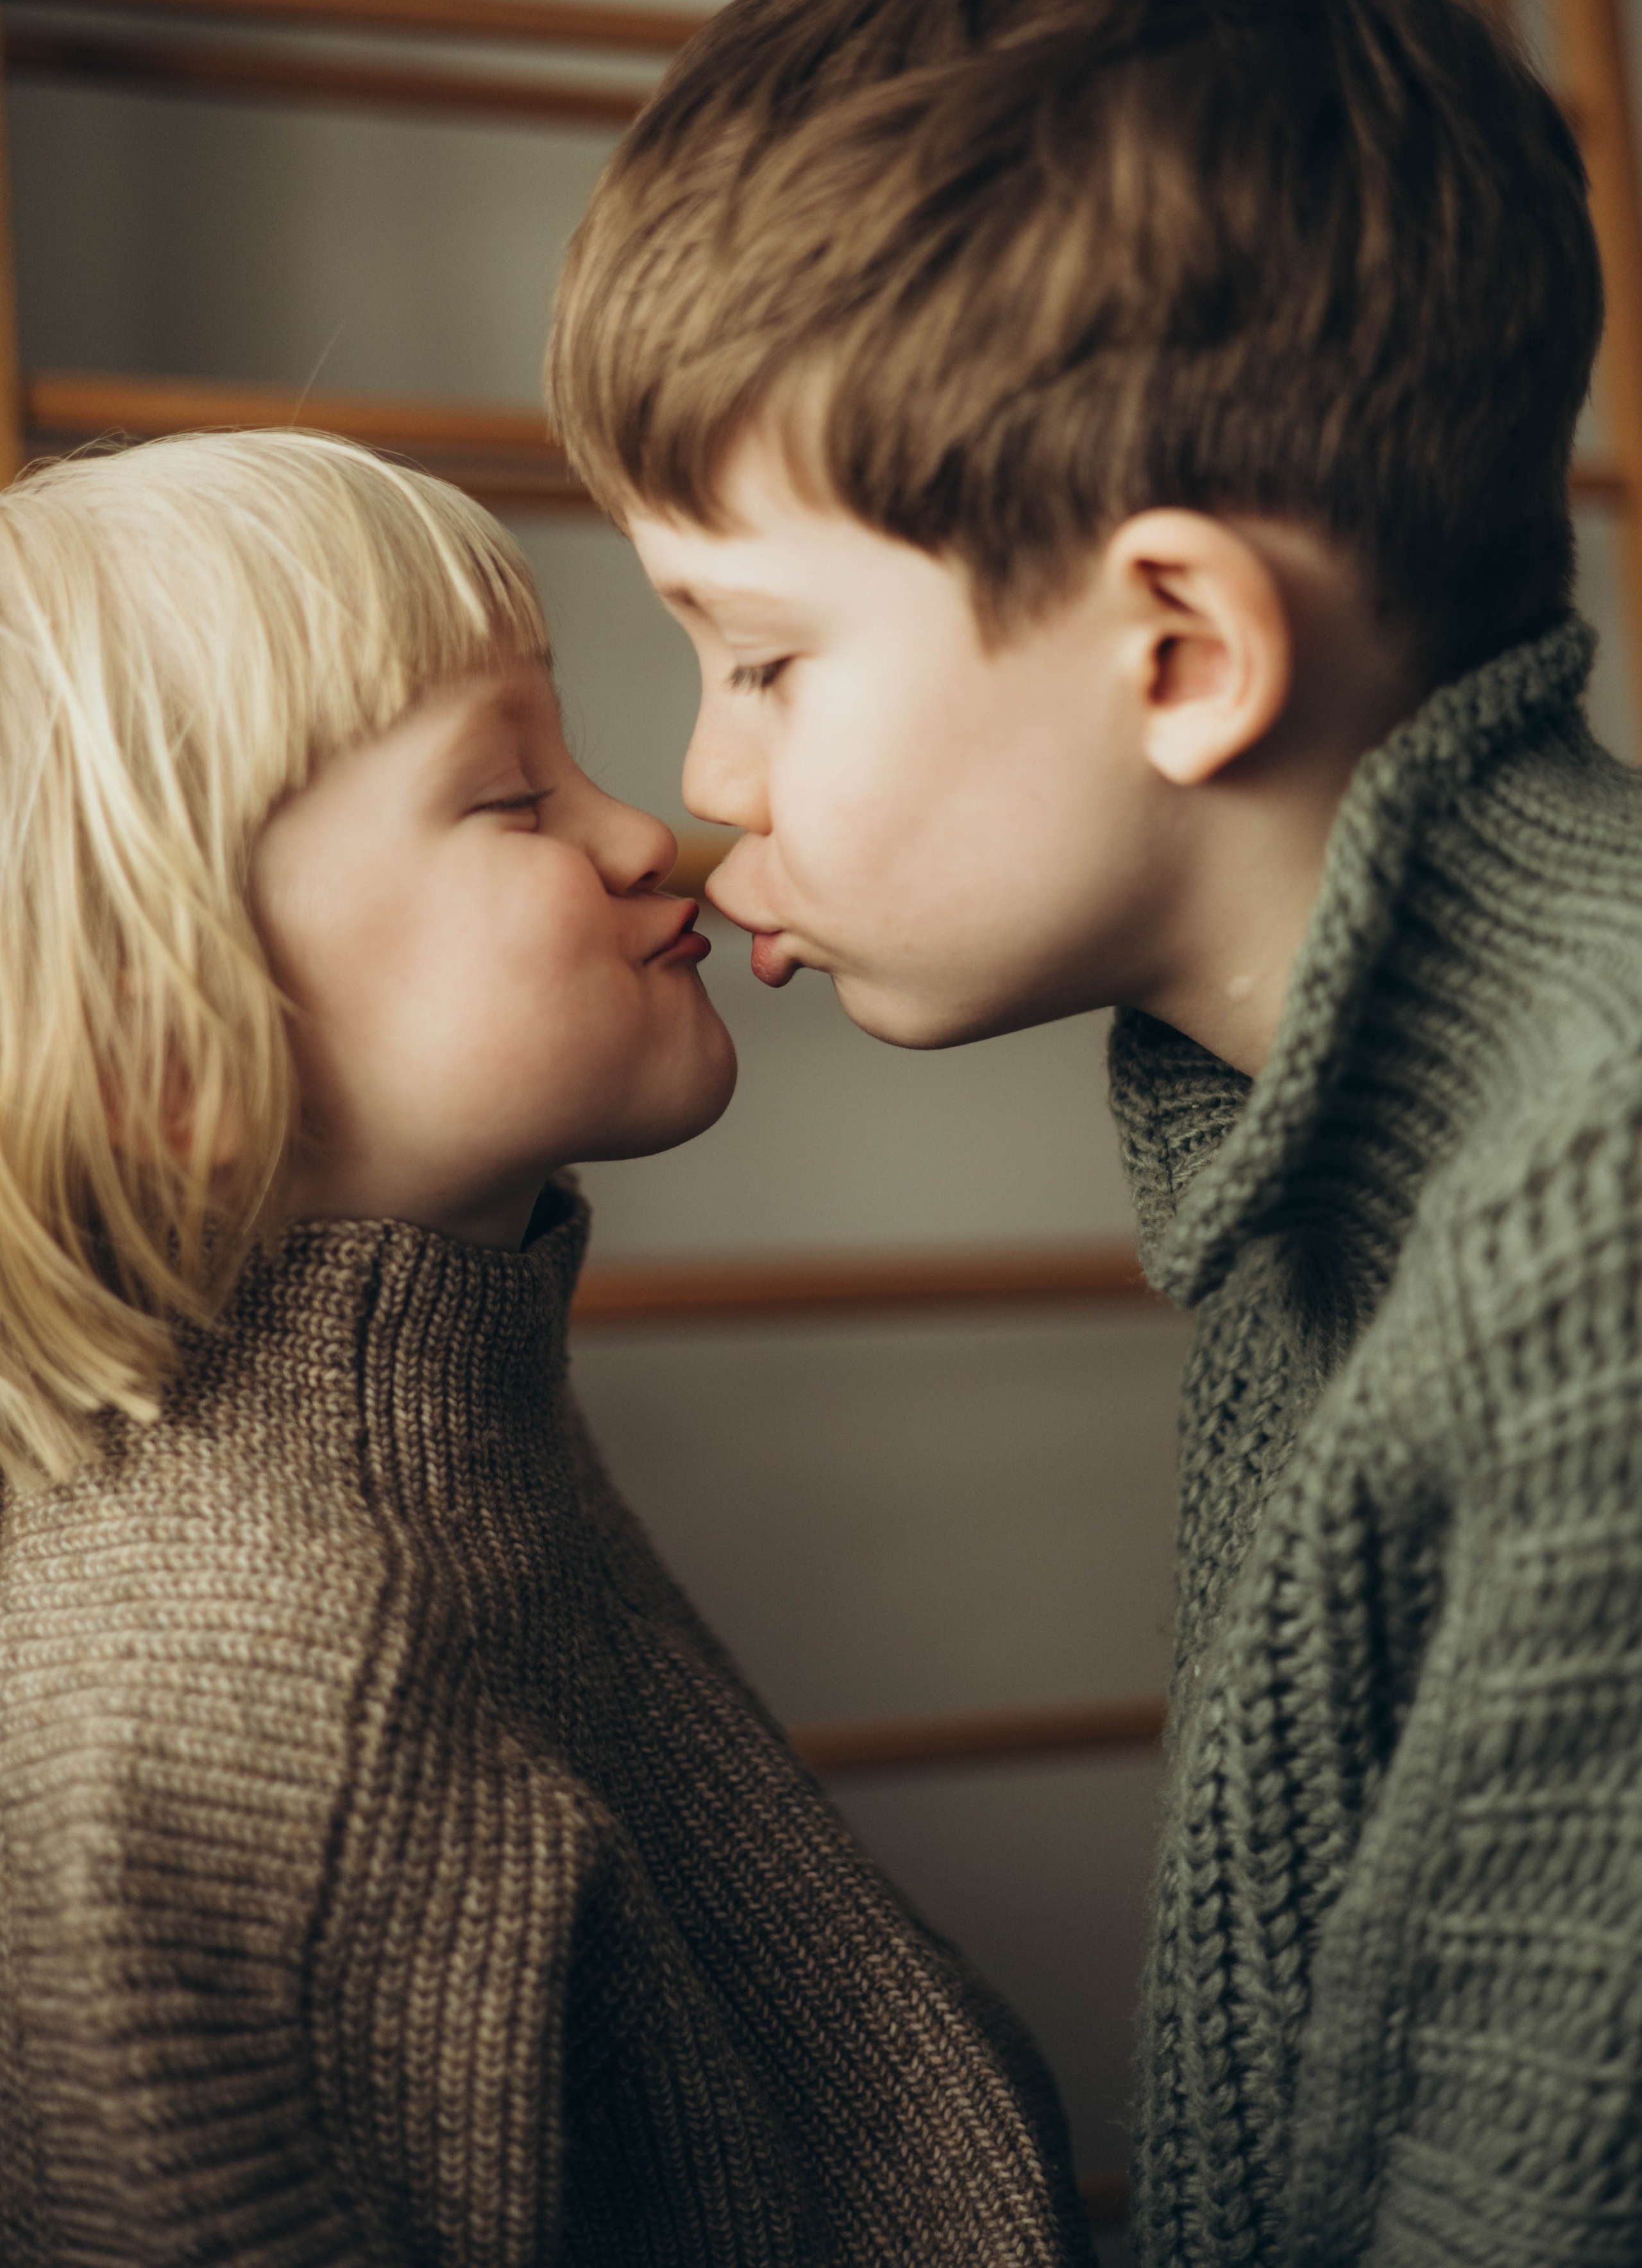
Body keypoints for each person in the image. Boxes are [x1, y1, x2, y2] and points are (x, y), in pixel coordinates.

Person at [548, 0, 1641, 2264]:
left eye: (765, 657)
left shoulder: (1601, 1220)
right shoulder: (1324, 1116)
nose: (707, 782)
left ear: (1178, 652)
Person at [0, 429, 1091, 2267]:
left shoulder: (445, 1426)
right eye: (511, 798)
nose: (642, 829)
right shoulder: (245, 1704)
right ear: (175, 1053)